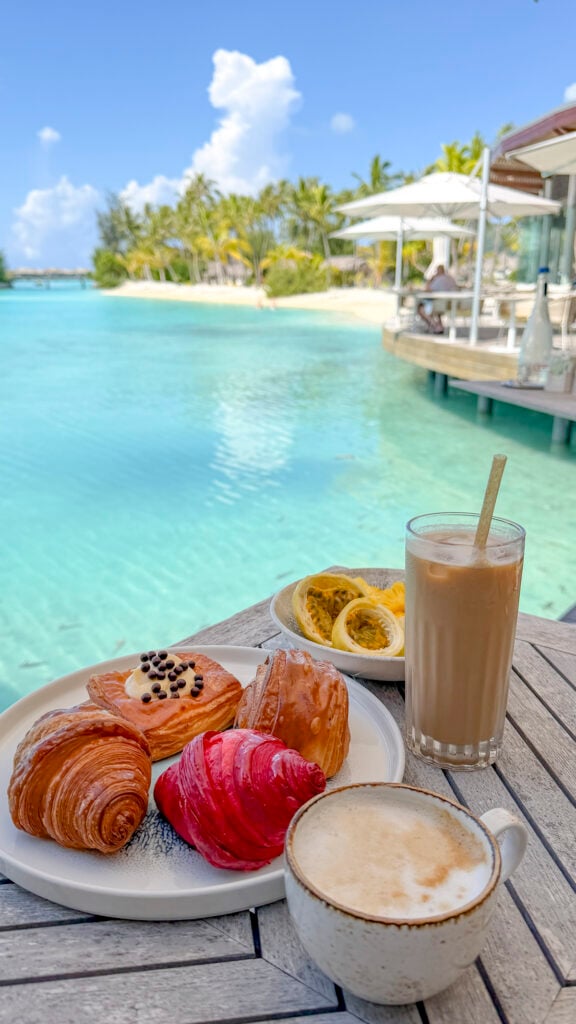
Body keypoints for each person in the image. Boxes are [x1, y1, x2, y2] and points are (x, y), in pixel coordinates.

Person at [417, 265, 459, 334]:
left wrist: (430, 279)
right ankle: (439, 325)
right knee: (434, 307)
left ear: (438, 271)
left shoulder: (438, 279)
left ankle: (436, 326)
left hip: (440, 304)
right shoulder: (451, 278)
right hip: (451, 304)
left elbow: (428, 290)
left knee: (420, 307)